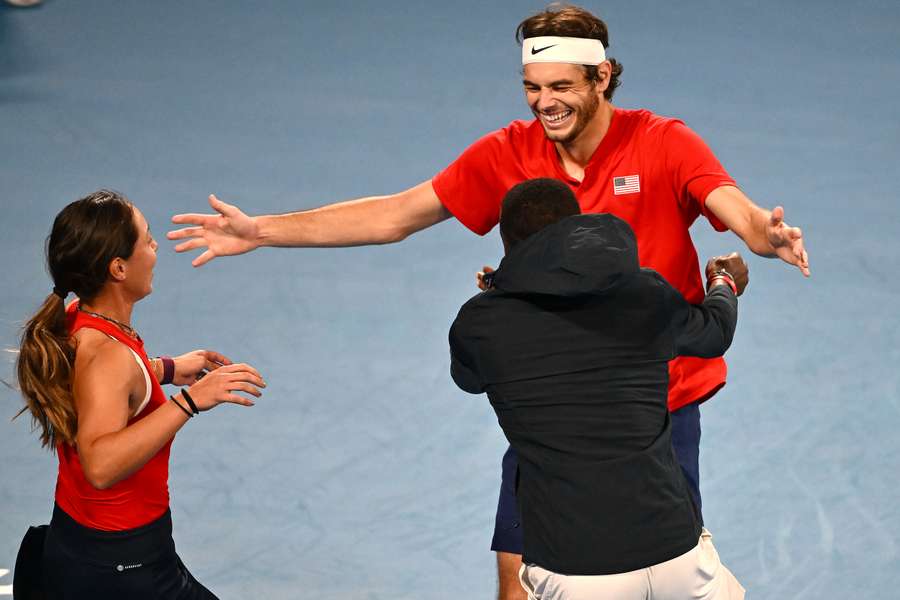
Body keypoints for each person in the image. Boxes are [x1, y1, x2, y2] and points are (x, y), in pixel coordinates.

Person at [166, 5, 808, 598]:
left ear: (602, 77)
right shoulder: (508, 152)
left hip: (656, 407)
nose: (544, 103)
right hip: (551, 407)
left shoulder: (663, 142)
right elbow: (395, 216)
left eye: (561, 87)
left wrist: (765, 235)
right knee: (516, 581)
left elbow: (739, 213)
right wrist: (263, 230)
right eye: (533, 86)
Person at [450, 178, 746, 599]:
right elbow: (714, 332)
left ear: (505, 242)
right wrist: (723, 282)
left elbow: (469, 377)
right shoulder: (644, 292)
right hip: (676, 557)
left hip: (576, 571)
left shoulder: (480, 325)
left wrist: (501, 292)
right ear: (578, 227)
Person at [13, 190, 265, 600]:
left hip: (79, 546)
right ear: (118, 268)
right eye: (147, 239)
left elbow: (102, 393)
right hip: (122, 570)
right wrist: (191, 401)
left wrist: (163, 370)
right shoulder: (108, 357)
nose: (155, 249)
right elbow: (100, 465)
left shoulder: (77, 319)